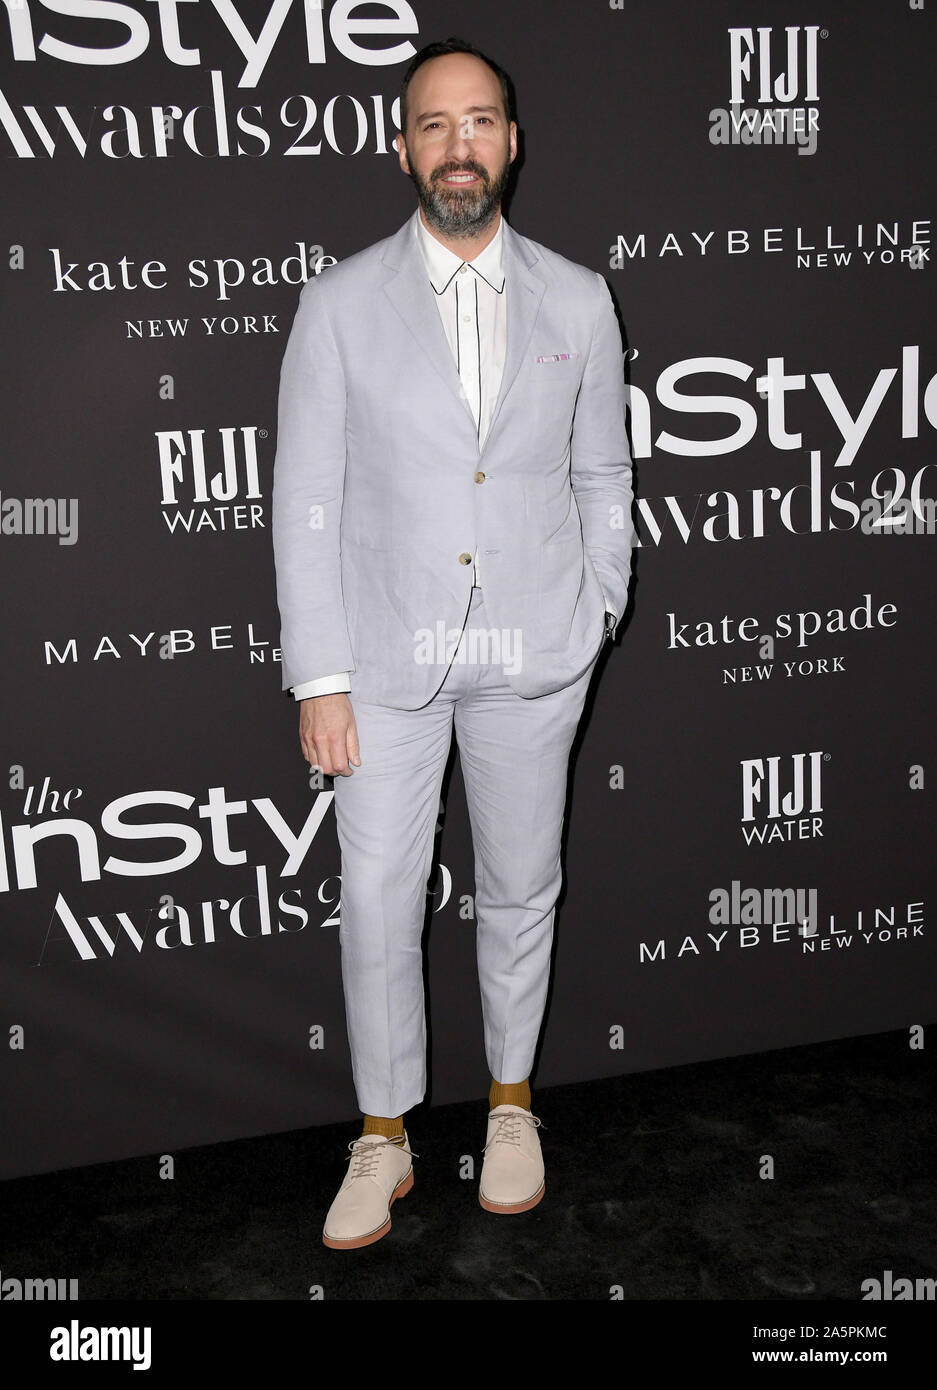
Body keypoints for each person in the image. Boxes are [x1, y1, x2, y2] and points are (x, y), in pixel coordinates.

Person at [271, 35, 634, 1250]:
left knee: (521, 885)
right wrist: (319, 676)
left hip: (537, 650)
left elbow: (601, 472)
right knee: (377, 898)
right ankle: (384, 1136)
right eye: (434, 124)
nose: (458, 144)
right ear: (402, 147)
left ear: (511, 142)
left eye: (479, 121)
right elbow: (305, 501)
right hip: (382, 663)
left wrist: (597, 609)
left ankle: (514, 1105)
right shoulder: (335, 303)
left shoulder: (579, 297)